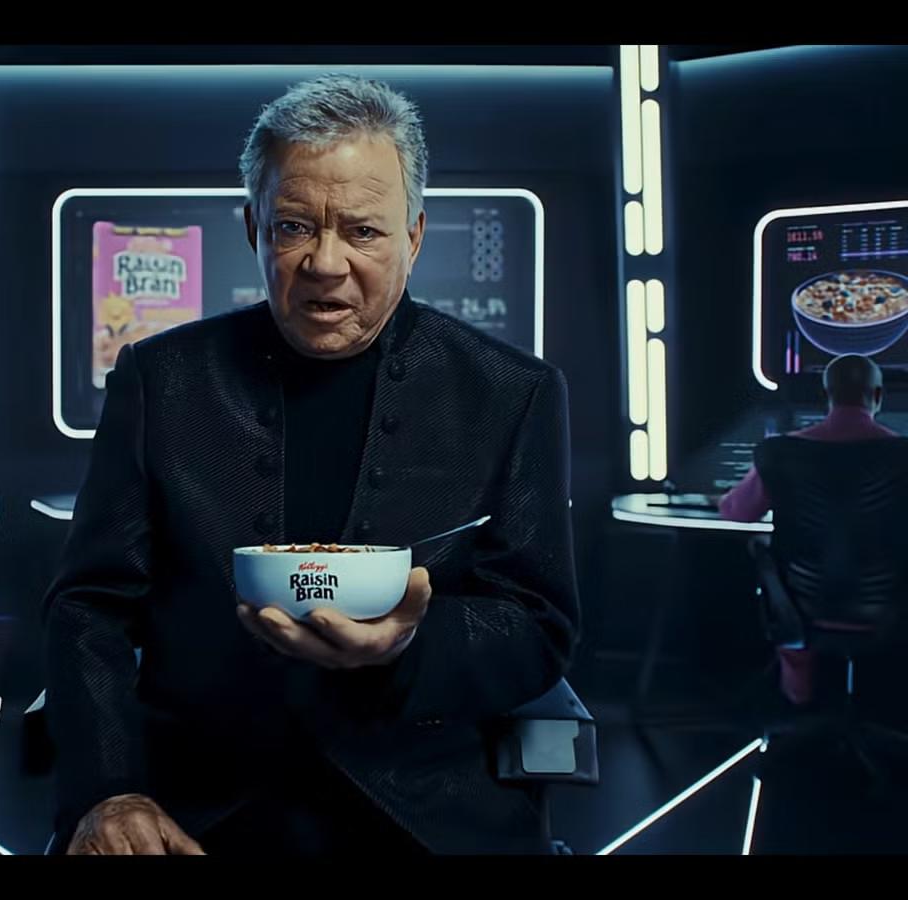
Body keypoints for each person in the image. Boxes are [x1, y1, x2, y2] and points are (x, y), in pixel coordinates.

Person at [44, 74, 579, 855]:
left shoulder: (513, 392)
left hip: (429, 813)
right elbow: (89, 606)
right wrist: (109, 788)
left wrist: (408, 646)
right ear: (253, 228)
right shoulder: (160, 380)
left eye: (363, 231)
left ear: (414, 237)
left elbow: (537, 625)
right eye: (294, 226)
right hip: (199, 805)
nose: (326, 263)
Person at [718, 353, 897, 704]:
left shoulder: (779, 452)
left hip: (801, 612)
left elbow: (736, 512)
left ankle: (799, 701)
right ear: (877, 396)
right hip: (891, 611)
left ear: (825, 395)